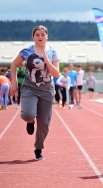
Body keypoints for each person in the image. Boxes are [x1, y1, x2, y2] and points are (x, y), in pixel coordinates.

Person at [10, 25, 60, 160]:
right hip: (29, 87)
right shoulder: (26, 51)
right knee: (27, 114)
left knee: (44, 124)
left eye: (43, 34)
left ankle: (38, 148)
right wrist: (14, 83)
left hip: (47, 90)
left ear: (47, 36)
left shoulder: (53, 53)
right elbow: (14, 65)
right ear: (33, 37)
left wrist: (47, 60)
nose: (40, 37)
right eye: (37, 34)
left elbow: (56, 74)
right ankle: (30, 121)